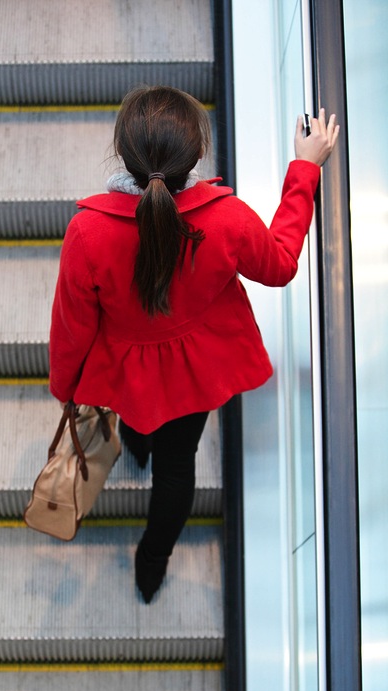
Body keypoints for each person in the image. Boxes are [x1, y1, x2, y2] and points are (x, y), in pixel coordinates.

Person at [49, 86, 339, 603]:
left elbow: (73, 325)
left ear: (122, 153)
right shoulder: (226, 218)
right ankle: (152, 562)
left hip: (127, 370)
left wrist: (66, 388)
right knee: (178, 465)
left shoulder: (87, 232)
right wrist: (304, 170)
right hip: (198, 369)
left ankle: (136, 445)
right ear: (197, 156)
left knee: (138, 420)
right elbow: (279, 265)